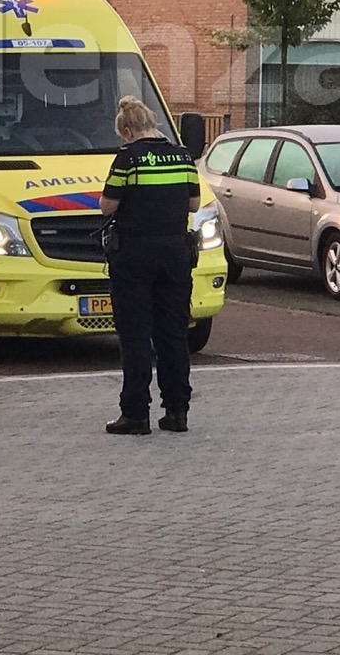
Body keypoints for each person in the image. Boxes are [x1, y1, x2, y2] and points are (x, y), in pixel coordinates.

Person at [98, 95, 201, 436]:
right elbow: (194, 203)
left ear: (127, 130)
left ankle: (136, 414)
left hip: (134, 255)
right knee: (173, 332)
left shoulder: (128, 159)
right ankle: (177, 411)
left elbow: (108, 206)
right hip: (175, 253)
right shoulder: (183, 155)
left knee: (136, 334)